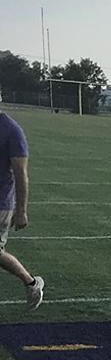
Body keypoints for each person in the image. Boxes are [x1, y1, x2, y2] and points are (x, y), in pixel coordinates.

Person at [0, 110, 44, 309]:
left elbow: (21, 174)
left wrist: (21, 211)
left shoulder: (11, 131)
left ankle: (31, 283)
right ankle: (31, 283)